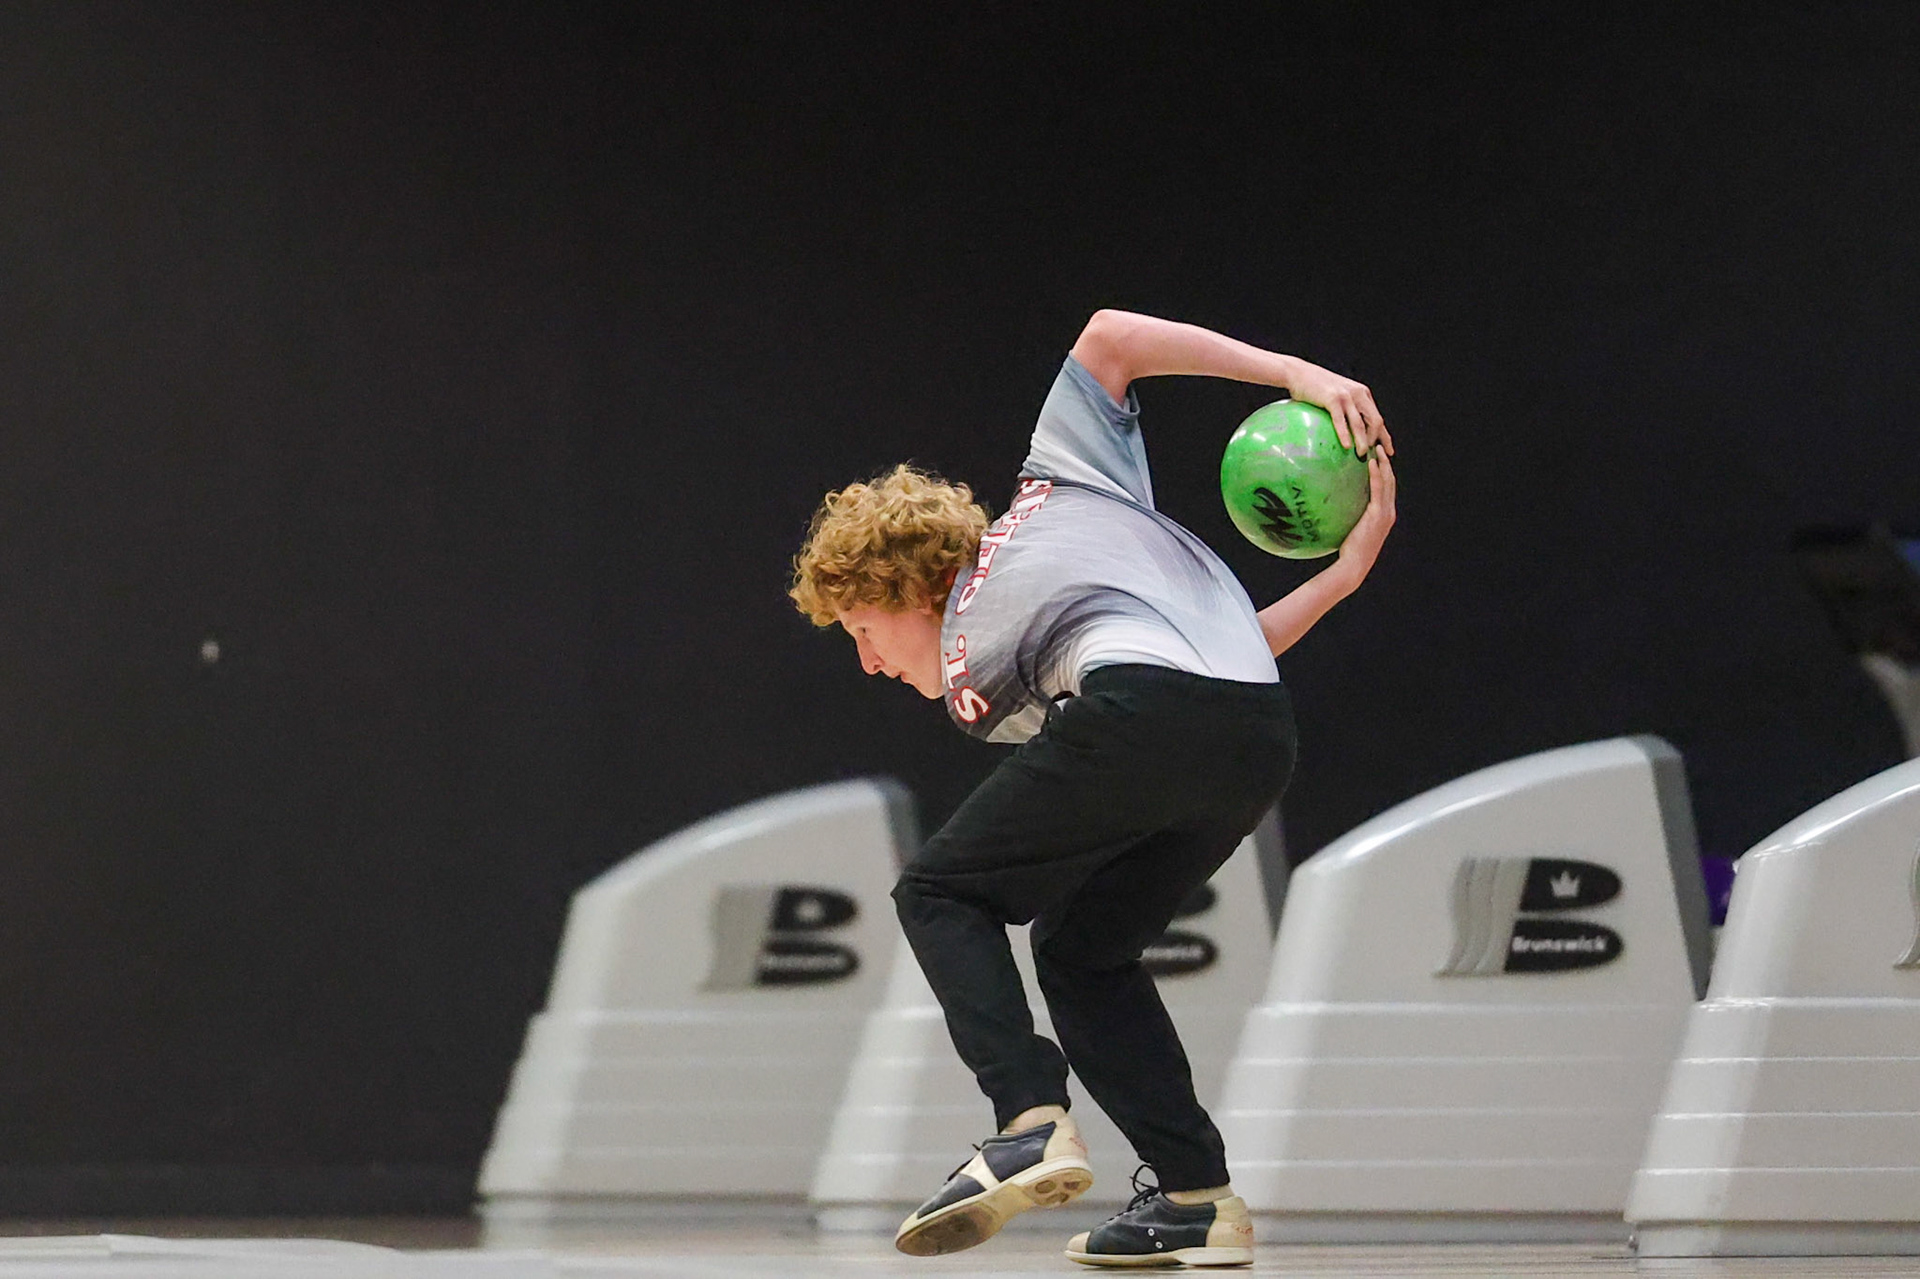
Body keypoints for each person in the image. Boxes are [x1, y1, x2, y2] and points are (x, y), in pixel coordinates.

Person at [788, 309, 1397, 1268]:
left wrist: (1296, 377)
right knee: (1081, 950)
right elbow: (1111, 340)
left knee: (940, 890)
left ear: (906, 589)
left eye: (862, 630)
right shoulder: (1067, 478)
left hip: (1150, 712)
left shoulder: (970, 671)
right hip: (1255, 734)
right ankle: (1197, 1197)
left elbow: (1142, 712)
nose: (868, 664)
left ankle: (1027, 1119)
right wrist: (1341, 563)